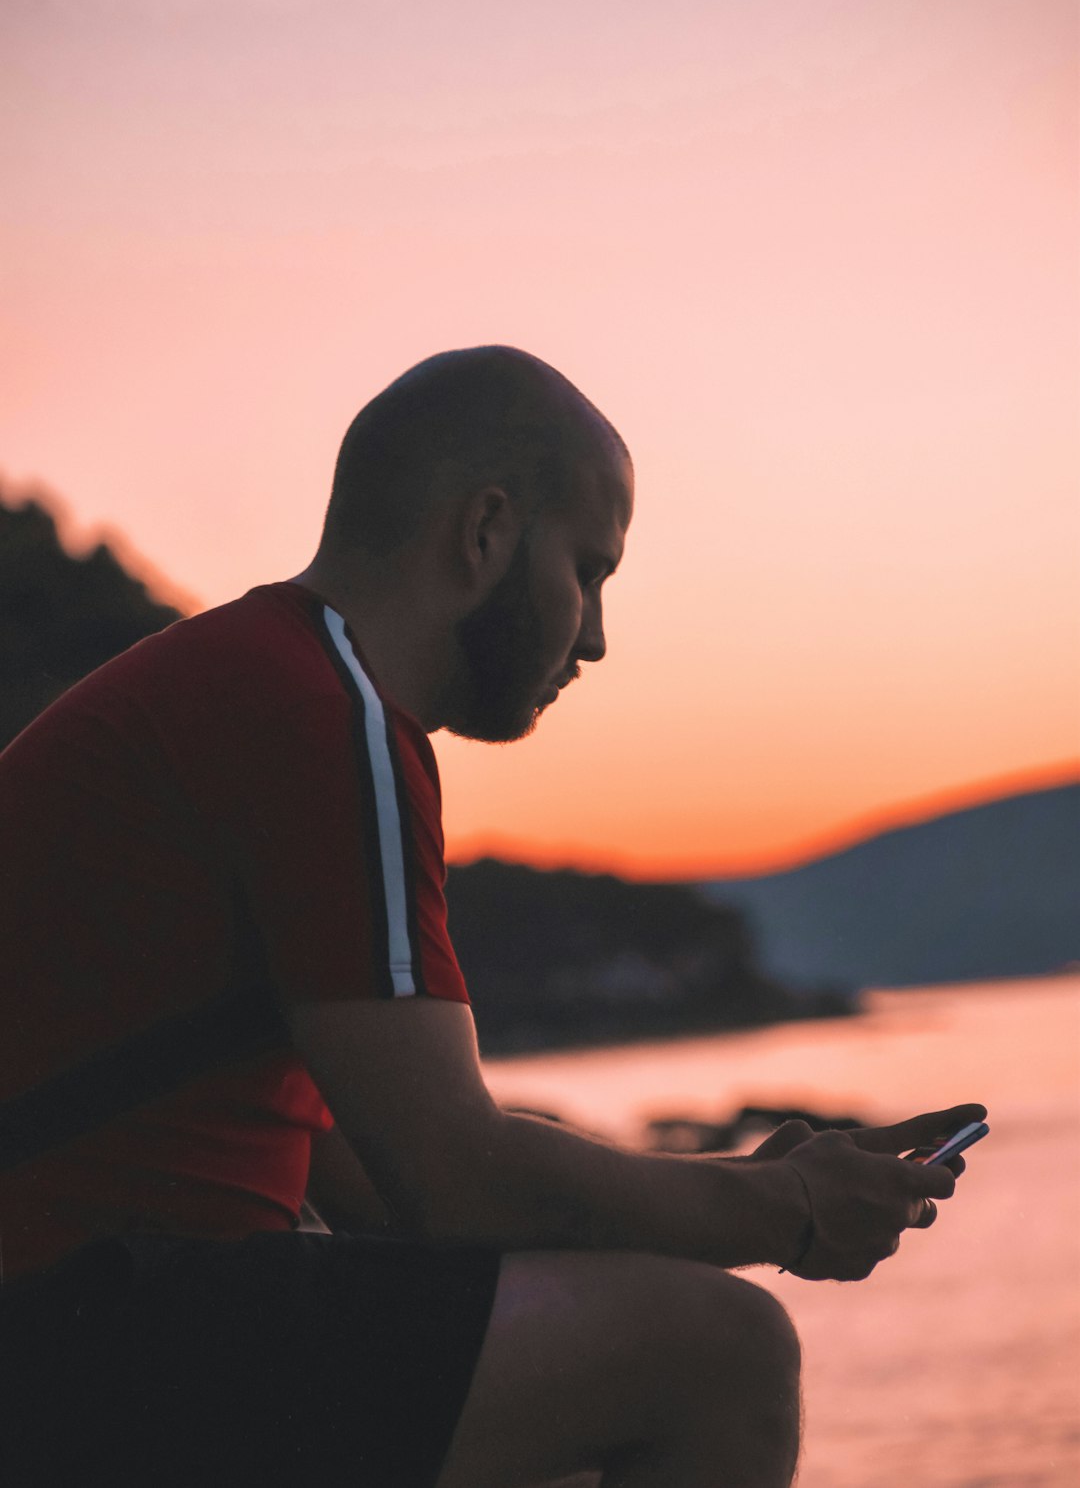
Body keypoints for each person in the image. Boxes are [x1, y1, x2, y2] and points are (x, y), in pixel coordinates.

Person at [0, 345, 983, 1487]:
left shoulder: (255, 683)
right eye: (590, 569)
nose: (598, 633)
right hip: (77, 1329)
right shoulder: (324, 717)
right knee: (718, 1354)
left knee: (545, 1361)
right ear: (486, 532)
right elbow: (450, 1176)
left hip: (94, 1311)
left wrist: (727, 1187)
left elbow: (370, 1176)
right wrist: (785, 1213)